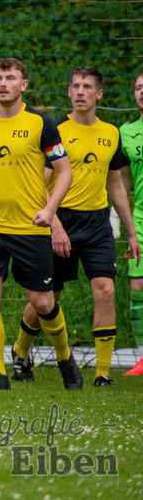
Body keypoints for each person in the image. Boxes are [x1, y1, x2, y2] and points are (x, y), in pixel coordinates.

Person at [0, 58, 81, 391]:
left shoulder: (42, 124)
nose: (3, 84)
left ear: (23, 85)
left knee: (42, 303)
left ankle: (64, 359)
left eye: (10, 78)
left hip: (30, 227)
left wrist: (50, 210)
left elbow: (64, 171)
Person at [12, 67, 140, 387]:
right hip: (60, 219)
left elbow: (116, 186)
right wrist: (54, 224)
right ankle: (20, 351)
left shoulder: (112, 133)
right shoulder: (53, 129)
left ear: (99, 94)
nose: (80, 91)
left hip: (97, 223)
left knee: (106, 290)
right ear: (68, 93)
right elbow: (37, 184)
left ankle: (102, 373)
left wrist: (132, 232)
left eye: (87, 87)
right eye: (75, 86)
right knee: (47, 297)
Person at [120, 70, 143, 376]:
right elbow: (121, 186)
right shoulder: (125, 132)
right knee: (138, 290)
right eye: (139, 87)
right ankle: (142, 358)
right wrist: (121, 224)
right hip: (140, 221)